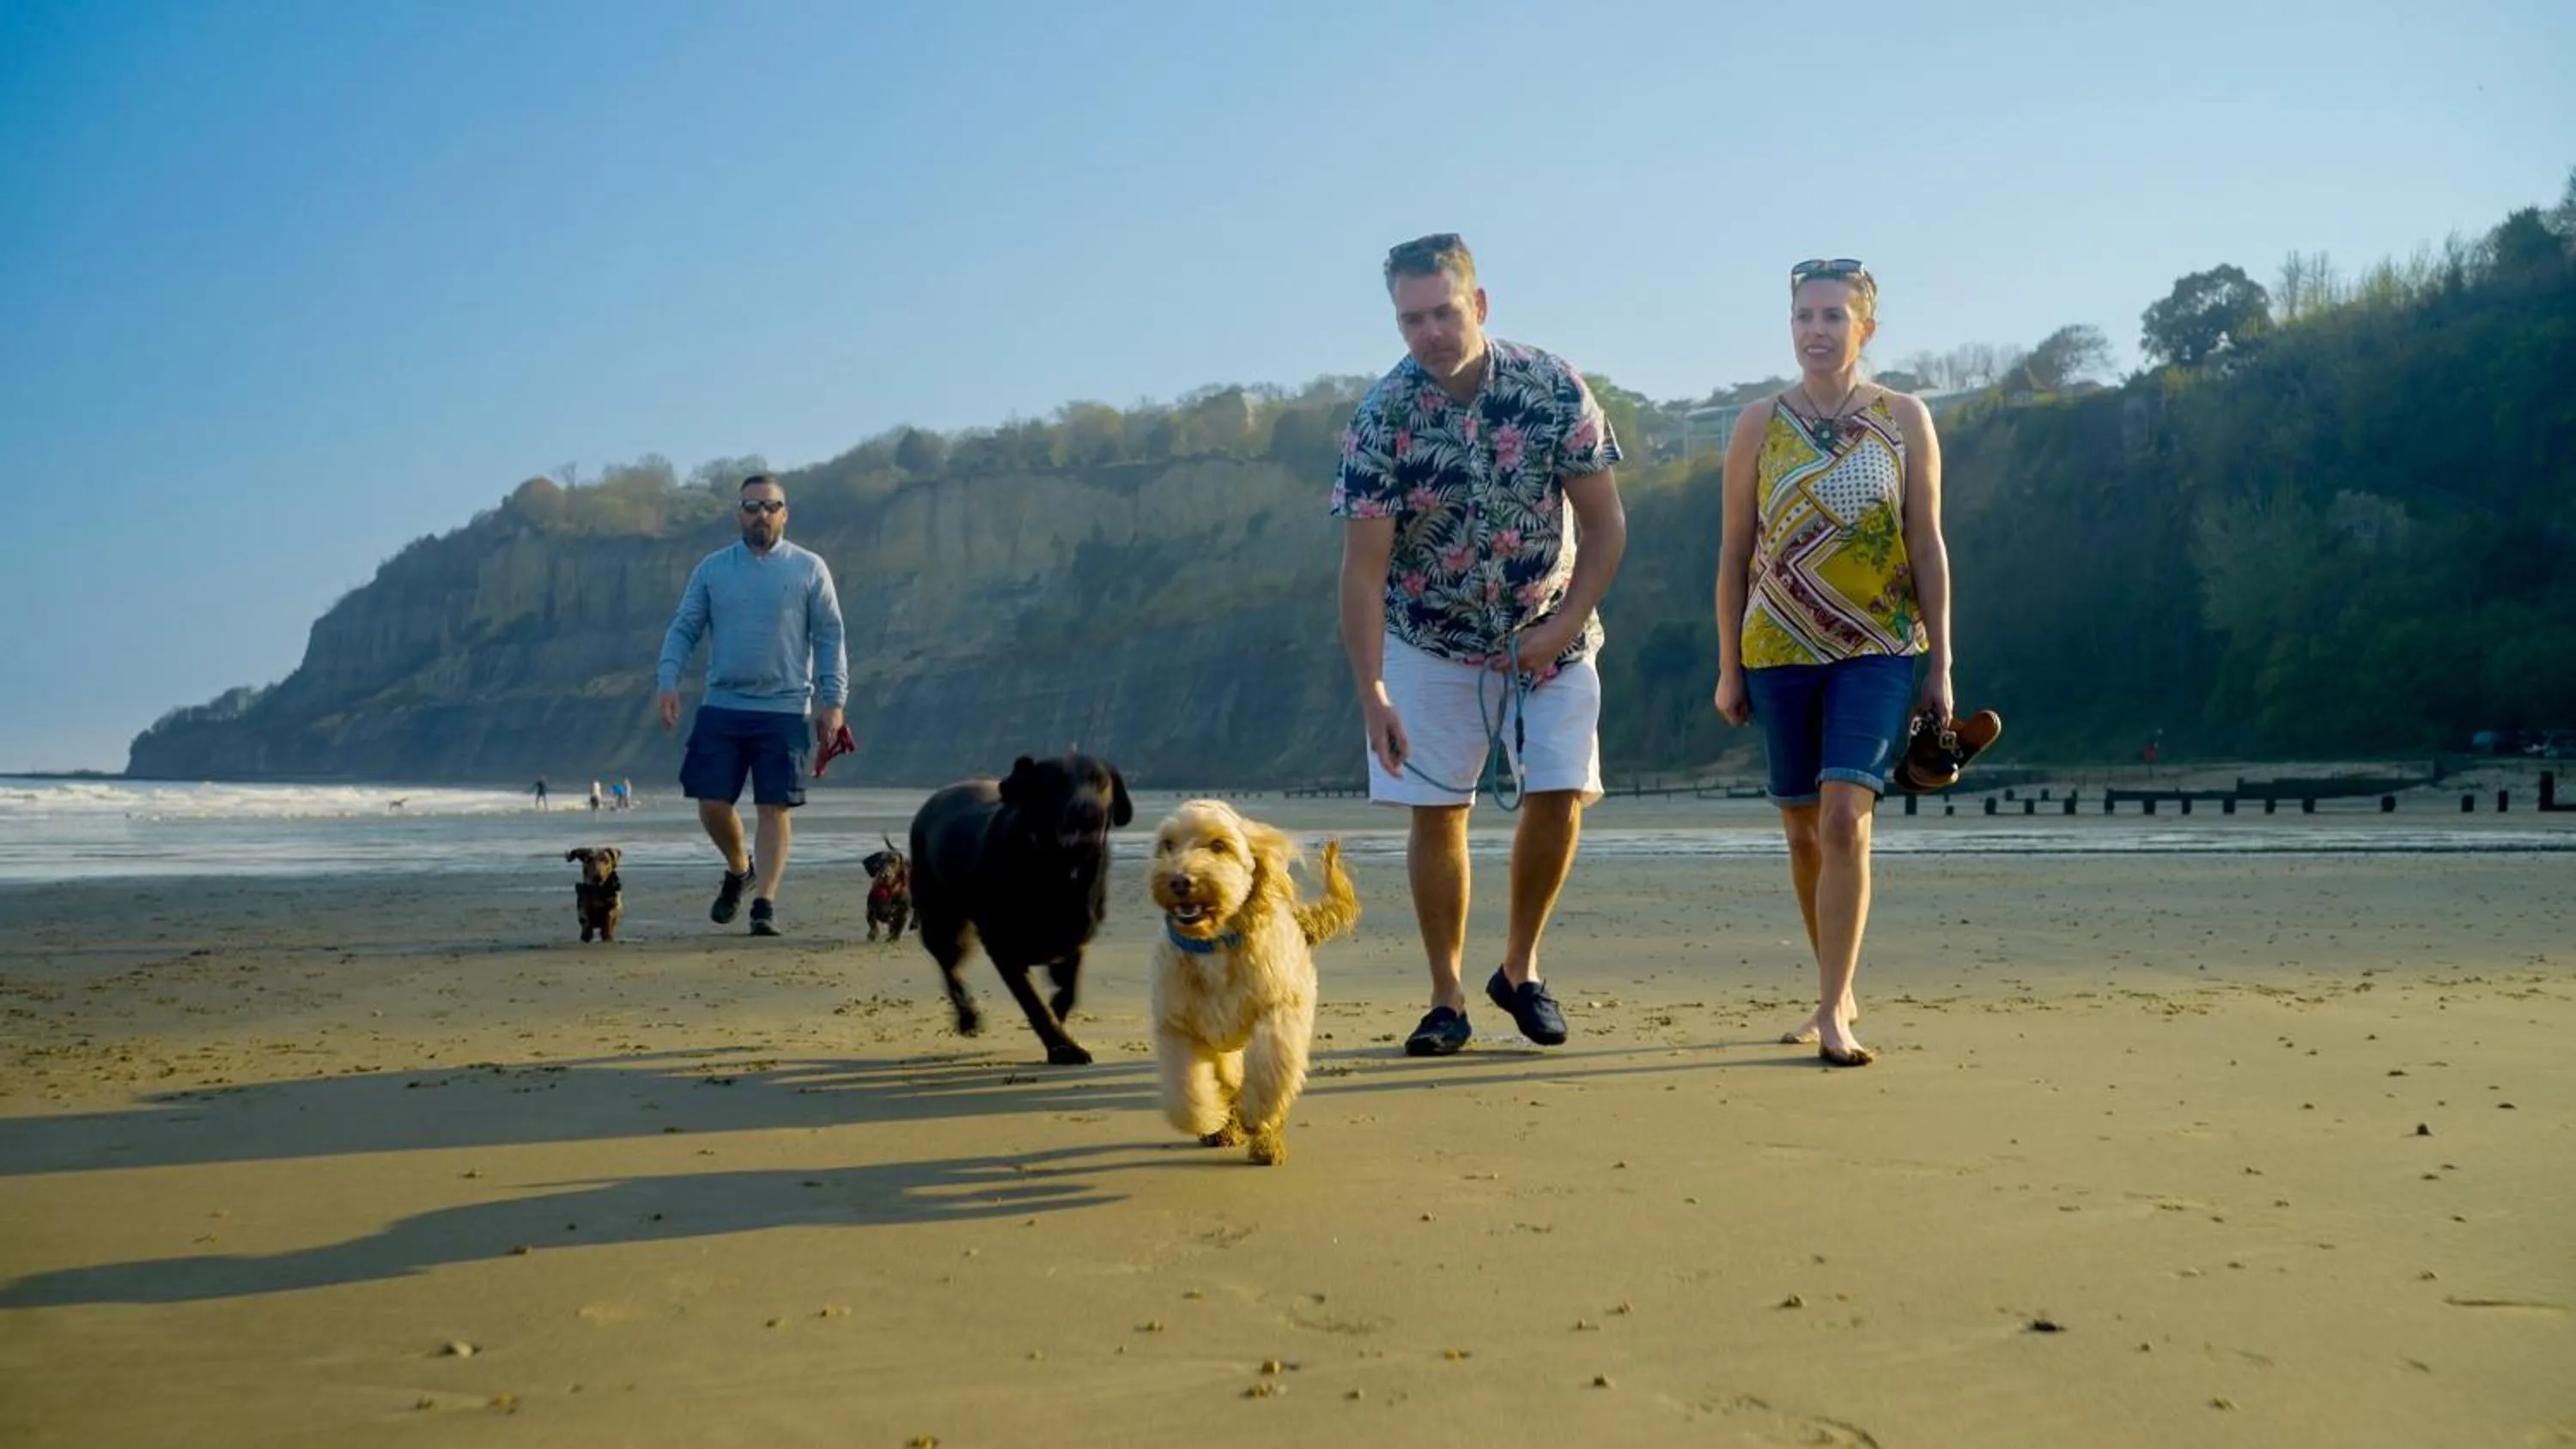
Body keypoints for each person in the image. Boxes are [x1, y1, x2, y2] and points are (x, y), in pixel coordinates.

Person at [1330, 232, 1627, 1057]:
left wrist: (1562, 626)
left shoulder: (1553, 386)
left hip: (1554, 631)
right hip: (1430, 637)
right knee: (1437, 812)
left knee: (1561, 791)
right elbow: (1361, 572)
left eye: (1443, 312)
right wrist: (1373, 693)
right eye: (1410, 319)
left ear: (1479, 305)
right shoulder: (1382, 418)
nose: (1429, 332)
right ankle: (1446, 997)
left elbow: (1605, 527)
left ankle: (1521, 969)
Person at [1711, 258, 1954, 1067]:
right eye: (1805, 316)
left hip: (1880, 648)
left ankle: (1831, 1014)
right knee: (1804, 833)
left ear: (1866, 329)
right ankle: (1836, 987)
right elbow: (1734, 552)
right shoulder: (1757, 423)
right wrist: (1727, 666)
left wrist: (1943, 664)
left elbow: (1926, 542)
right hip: (1777, 649)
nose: (1817, 330)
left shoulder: (1906, 418)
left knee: (1847, 819)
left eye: (1833, 317)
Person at [656, 474, 849, 937]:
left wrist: (834, 700)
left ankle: (764, 902)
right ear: (738, 514)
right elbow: (684, 628)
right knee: (711, 803)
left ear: (785, 513)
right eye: (751, 506)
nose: (761, 514)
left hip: (785, 707)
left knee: (773, 806)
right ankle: (739, 867)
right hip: (722, 704)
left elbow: (829, 635)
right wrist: (668, 682)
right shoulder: (712, 569)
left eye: (770, 506)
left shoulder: (809, 568)